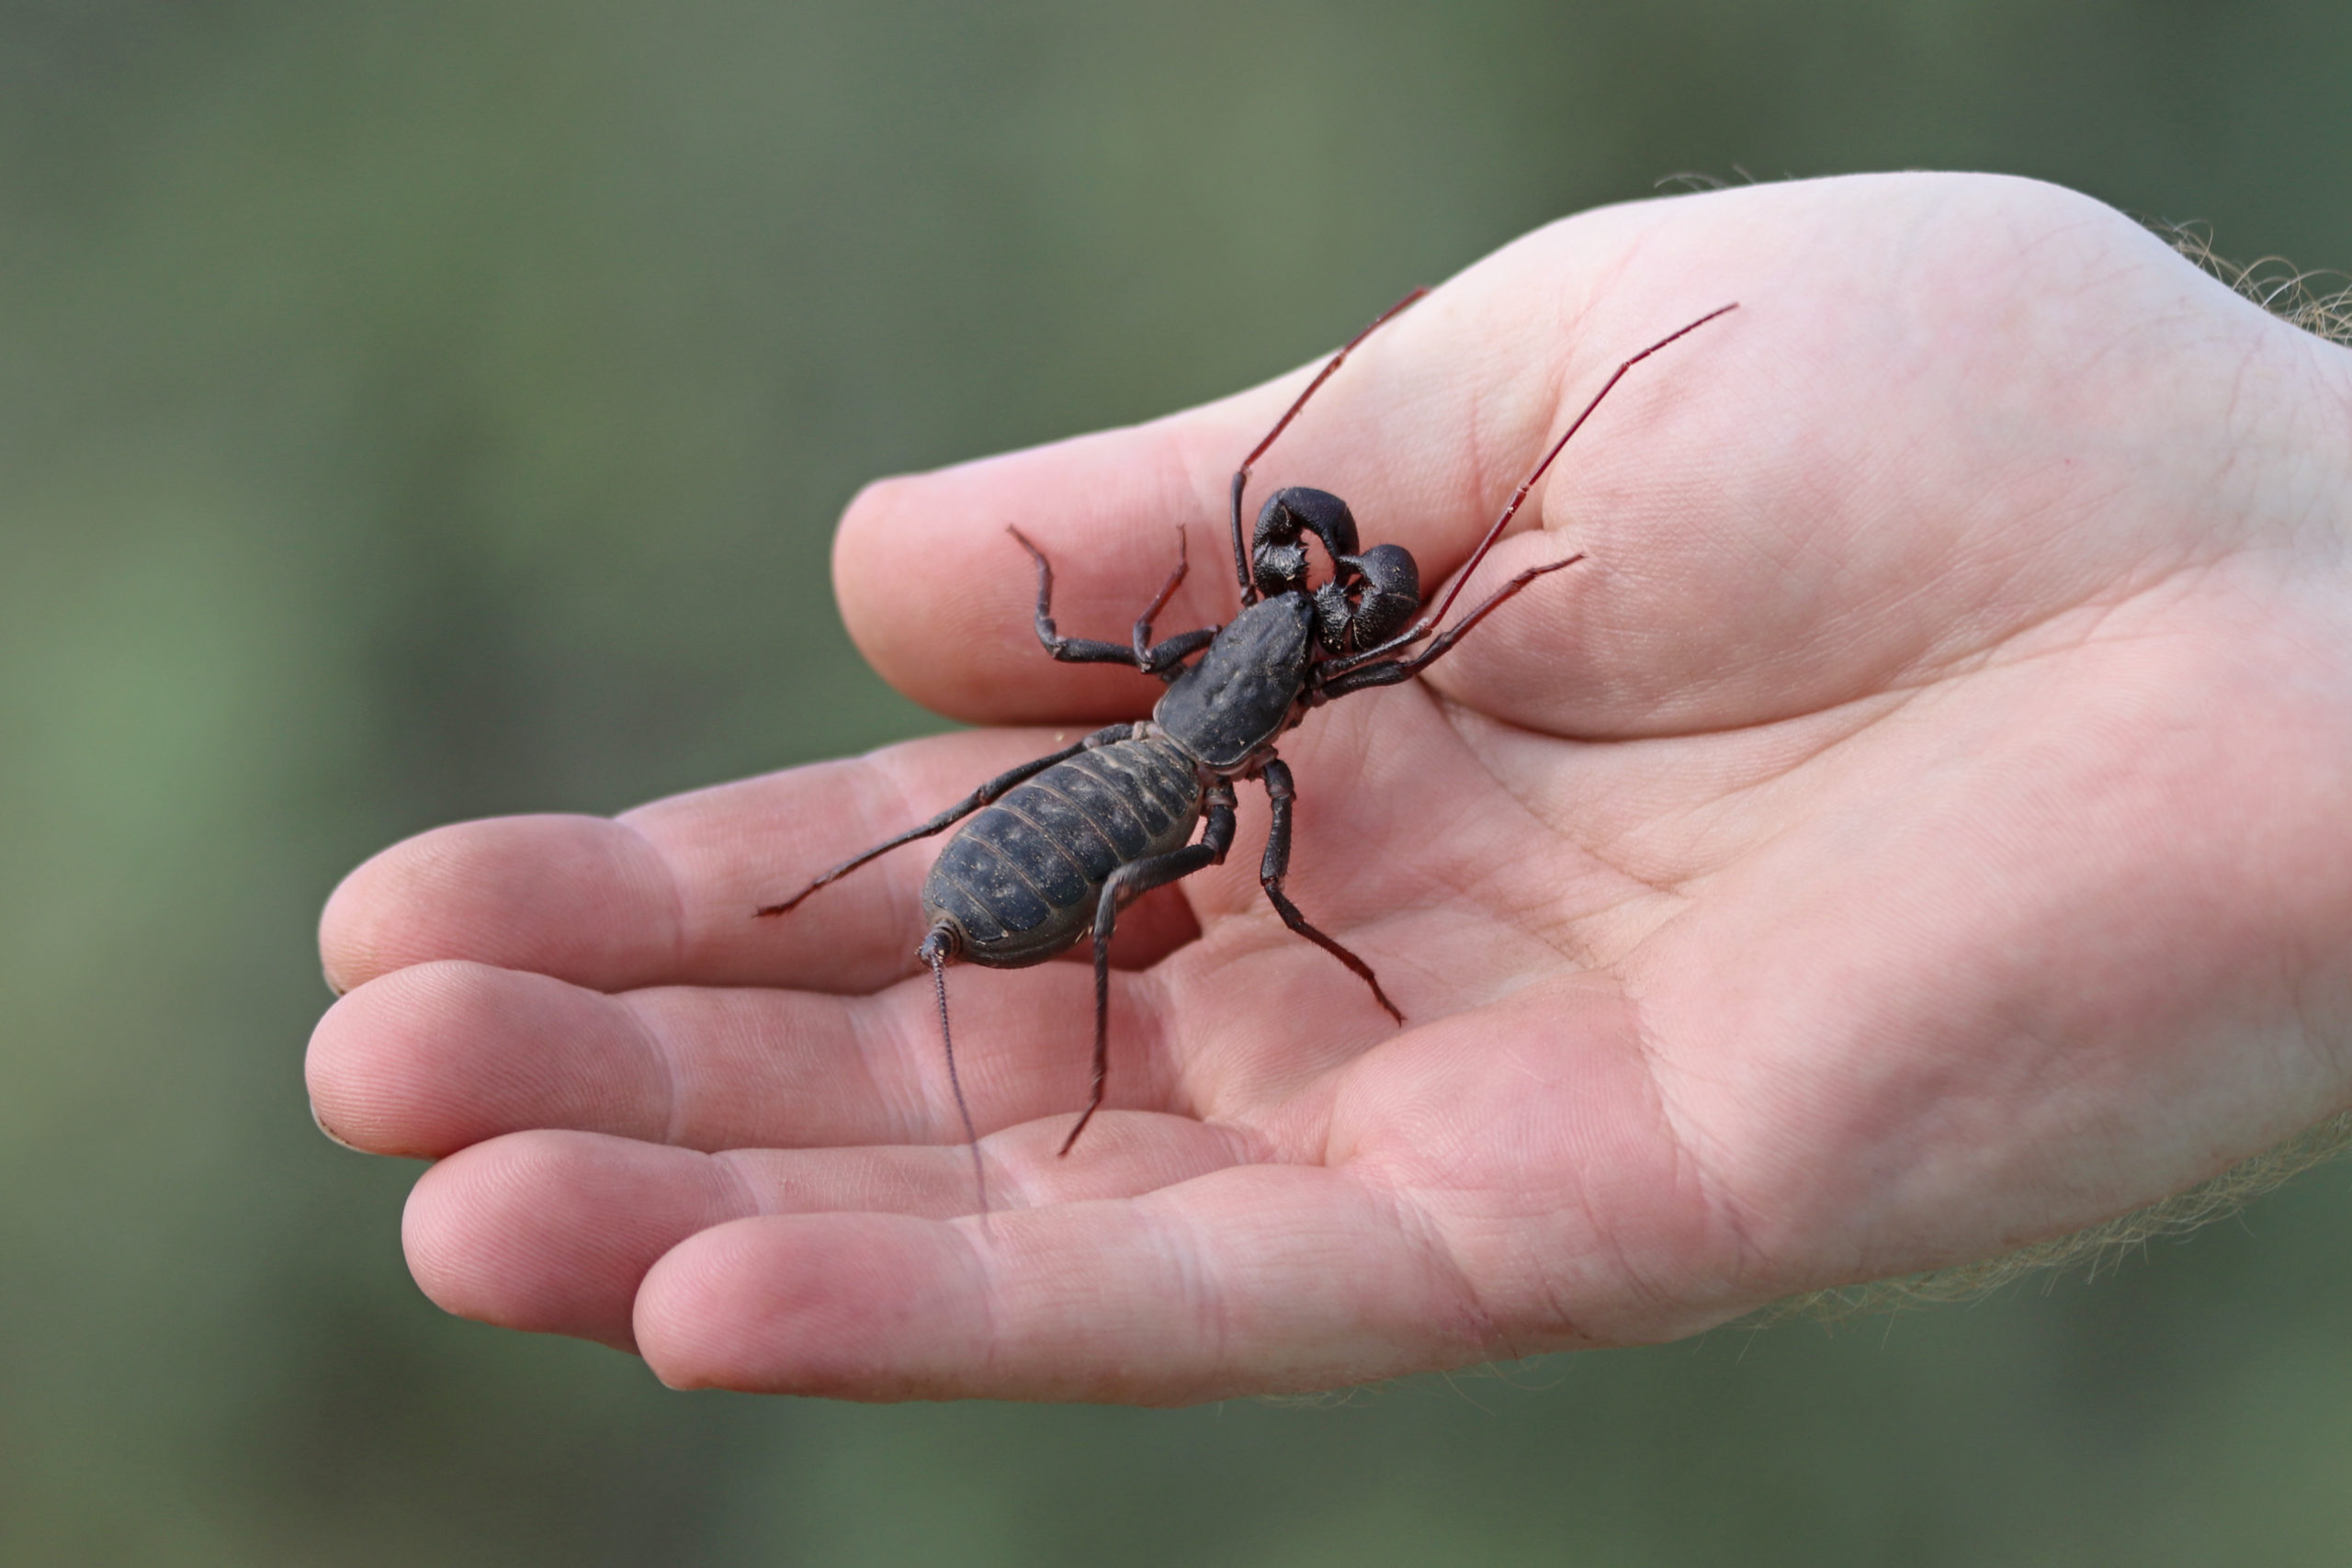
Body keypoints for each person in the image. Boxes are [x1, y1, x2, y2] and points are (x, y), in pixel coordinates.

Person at [306, 171, 2352, 1404]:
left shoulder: (1262, 656)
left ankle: (970, 955)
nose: (1314, 590)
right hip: (1140, 785)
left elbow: (1309, 653)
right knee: (1066, 857)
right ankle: (935, 941)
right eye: (1310, 587)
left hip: (1141, 768)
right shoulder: (1286, 674)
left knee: (1071, 844)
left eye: (1315, 592)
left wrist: (1512, 560)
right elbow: (1329, 698)